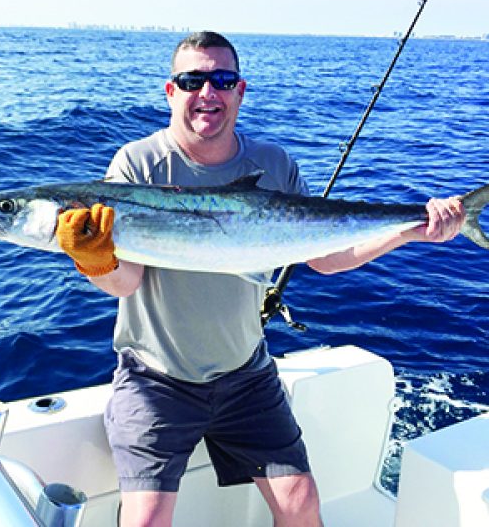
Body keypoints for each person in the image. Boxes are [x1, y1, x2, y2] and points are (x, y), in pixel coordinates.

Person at [56, 31, 465, 527]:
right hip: (156, 379)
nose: (208, 92)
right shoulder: (137, 164)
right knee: (144, 520)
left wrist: (414, 231)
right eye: (193, 80)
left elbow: (326, 258)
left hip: (247, 375)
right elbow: (127, 283)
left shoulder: (272, 164)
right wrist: (94, 260)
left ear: (240, 91)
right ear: (171, 91)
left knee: (301, 503)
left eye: (222, 80)